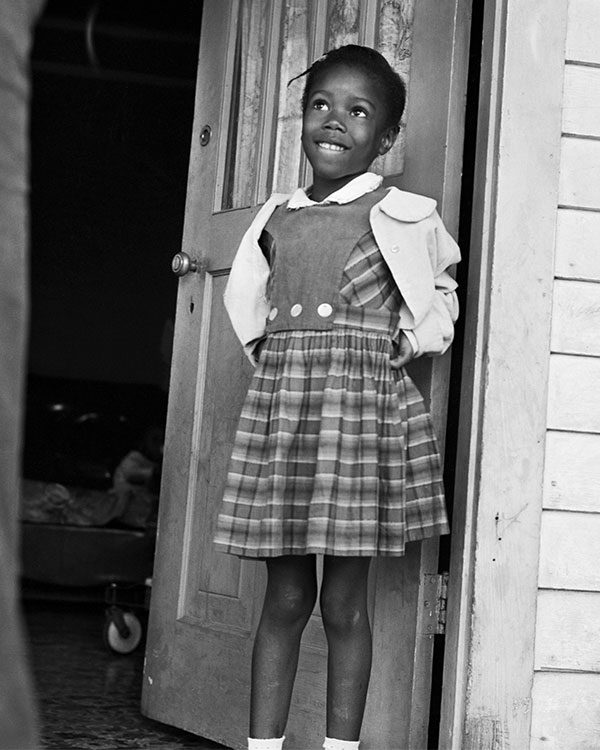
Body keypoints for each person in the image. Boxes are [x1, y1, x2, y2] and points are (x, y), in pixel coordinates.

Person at [214, 44, 460, 750]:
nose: (335, 120)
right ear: (300, 119)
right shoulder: (276, 215)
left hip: (358, 420)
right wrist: (274, 355)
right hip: (286, 416)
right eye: (321, 104)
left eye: (358, 111)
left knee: (344, 602)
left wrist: (411, 344)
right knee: (285, 597)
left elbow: (441, 292)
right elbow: (250, 298)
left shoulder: (406, 213)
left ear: (385, 139)